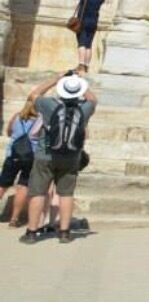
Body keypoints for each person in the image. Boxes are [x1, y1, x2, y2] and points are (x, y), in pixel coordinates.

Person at [20, 72, 97, 244]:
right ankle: (64, 232)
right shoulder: (84, 108)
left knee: (38, 192)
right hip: (71, 157)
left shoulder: (48, 105)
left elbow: (33, 95)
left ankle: (31, 232)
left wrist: (56, 79)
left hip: (45, 154)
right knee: (66, 194)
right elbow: (93, 99)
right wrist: (80, 81)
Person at [1, 98, 40, 228]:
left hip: (13, 154)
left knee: (2, 185)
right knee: (23, 187)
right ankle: (14, 219)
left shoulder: (16, 117)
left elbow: (9, 132)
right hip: (31, 156)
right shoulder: (40, 121)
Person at [70, 0, 105, 73]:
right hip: (93, 22)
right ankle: (86, 66)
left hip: (83, 21)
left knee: (82, 43)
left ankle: (81, 64)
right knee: (88, 45)